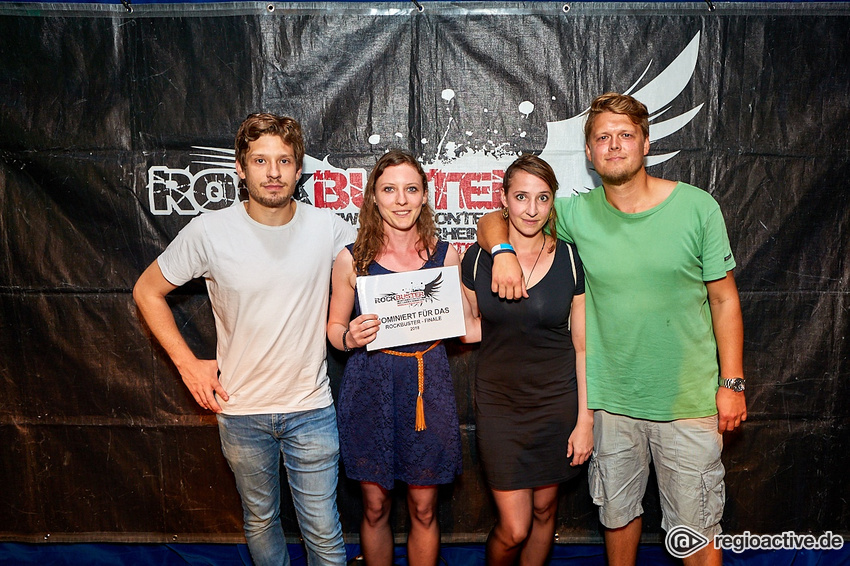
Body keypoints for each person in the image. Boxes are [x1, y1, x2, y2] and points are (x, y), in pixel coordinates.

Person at [477, 93, 747, 566]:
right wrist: (501, 254)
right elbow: (499, 218)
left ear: (646, 142)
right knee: (617, 519)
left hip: (687, 403)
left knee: (696, 531)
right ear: (588, 152)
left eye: (625, 135)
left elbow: (724, 298)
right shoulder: (575, 215)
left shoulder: (697, 207)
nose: (615, 145)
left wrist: (732, 382)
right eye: (603, 137)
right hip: (611, 405)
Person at [133, 113, 354, 566]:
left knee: (325, 534)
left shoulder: (329, 228)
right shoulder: (209, 231)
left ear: (299, 169)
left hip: (310, 409)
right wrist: (187, 363)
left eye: (284, 161)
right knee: (260, 521)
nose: (273, 172)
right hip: (239, 411)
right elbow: (146, 291)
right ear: (240, 166)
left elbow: (393, 257)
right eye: (260, 160)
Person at [327, 150, 471, 566]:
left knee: (424, 509)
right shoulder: (350, 259)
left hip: (427, 387)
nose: (401, 199)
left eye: (411, 189)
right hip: (370, 389)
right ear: (373, 197)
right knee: (375, 508)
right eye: (389, 189)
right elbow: (334, 330)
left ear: (425, 196)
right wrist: (349, 336)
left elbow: (469, 323)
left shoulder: (446, 257)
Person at [460, 155, 593, 566]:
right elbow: (468, 328)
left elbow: (583, 345)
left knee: (543, 513)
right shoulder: (479, 259)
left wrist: (585, 420)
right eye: (521, 197)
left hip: (556, 403)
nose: (531, 209)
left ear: (553, 202)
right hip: (500, 406)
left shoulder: (571, 259)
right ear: (504, 198)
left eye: (542, 198)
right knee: (514, 527)